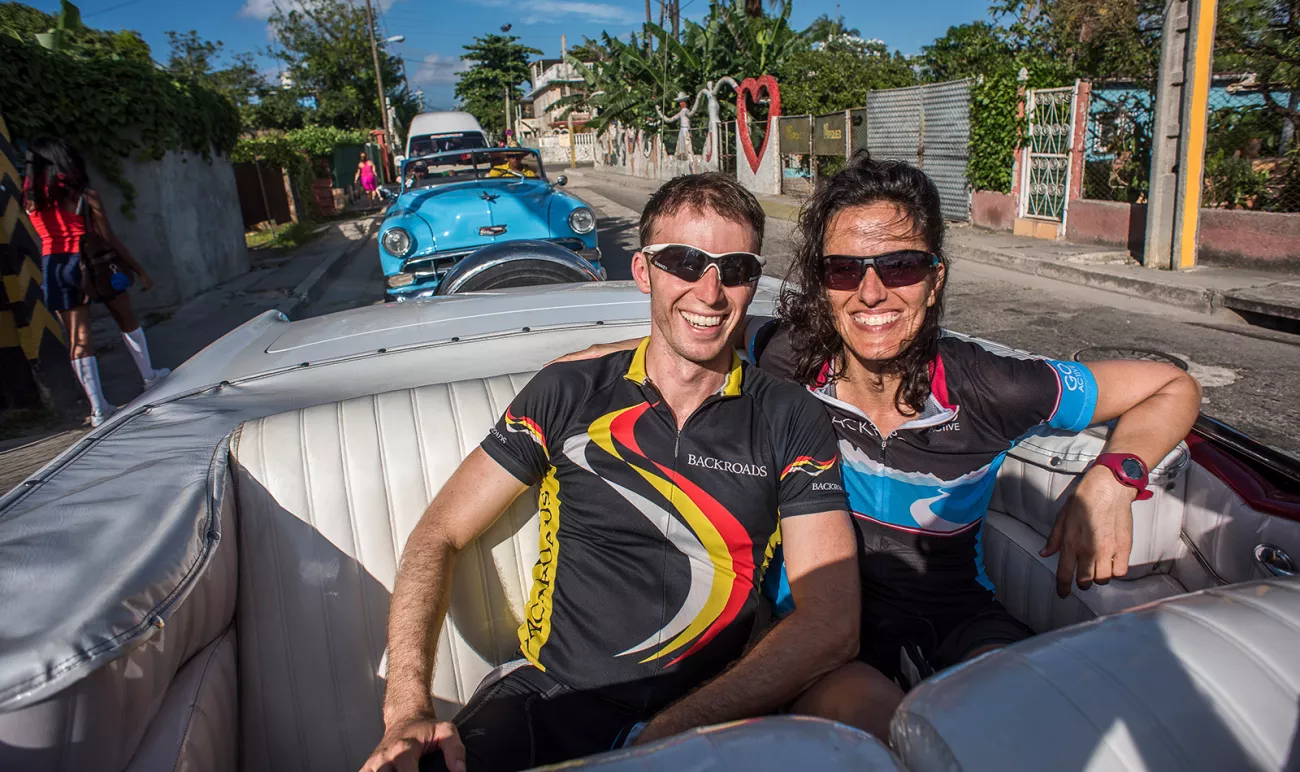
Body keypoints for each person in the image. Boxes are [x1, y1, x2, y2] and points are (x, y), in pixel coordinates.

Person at [556, 154, 1203, 742]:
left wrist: (1112, 477)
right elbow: (679, 344)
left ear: (934, 278)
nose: (871, 292)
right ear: (821, 284)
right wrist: (569, 380)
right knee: (868, 721)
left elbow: (1172, 386)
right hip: (816, 630)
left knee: (1032, 716)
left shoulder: (993, 386)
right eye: (844, 269)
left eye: (900, 264)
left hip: (957, 617)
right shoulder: (786, 356)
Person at [360, 173, 859, 772]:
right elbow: (437, 534)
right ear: (643, 271)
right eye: (684, 261)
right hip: (551, 701)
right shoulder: (570, 390)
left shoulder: (789, 415)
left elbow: (831, 619)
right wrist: (407, 708)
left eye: (734, 268)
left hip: (712, 715)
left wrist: (668, 731)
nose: (710, 291)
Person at [22, 137, 170, 427]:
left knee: (78, 339)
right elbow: (108, 238)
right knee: (126, 319)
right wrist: (138, 269)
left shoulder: (30, 201)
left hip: (54, 267)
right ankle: (149, 377)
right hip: (92, 264)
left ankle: (99, 408)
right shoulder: (85, 196)